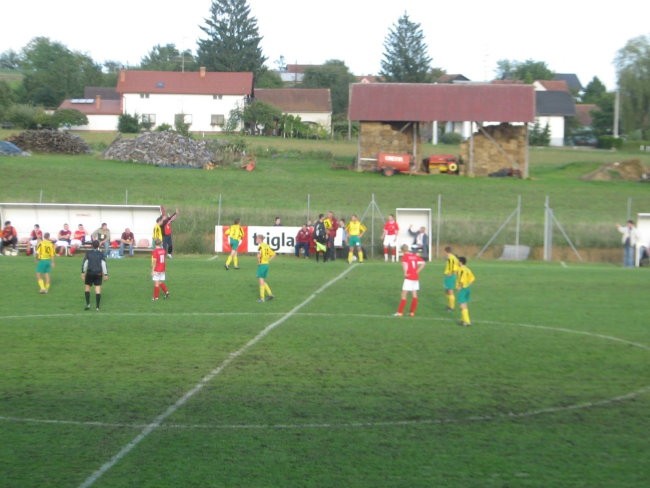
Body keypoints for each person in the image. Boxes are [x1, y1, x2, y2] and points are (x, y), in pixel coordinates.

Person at [394, 244, 426, 317]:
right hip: (415, 277)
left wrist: (405, 273)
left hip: (409, 277)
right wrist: (417, 271)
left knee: (403, 294)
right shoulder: (415, 256)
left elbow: (405, 265)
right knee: (414, 294)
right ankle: (412, 312)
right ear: (408, 249)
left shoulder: (405, 257)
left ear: (402, 250)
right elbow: (423, 263)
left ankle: (399, 312)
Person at [81, 240, 109, 310]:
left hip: (90, 273)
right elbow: (103, 264)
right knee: (98, 289)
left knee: (87, 288)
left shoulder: (88, 253)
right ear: (98, 246)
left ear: (92, 245)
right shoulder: (101, 254)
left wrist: (83, 272)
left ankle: (88, 305)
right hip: (98, 273)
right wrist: (105, 274)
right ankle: (97, 307)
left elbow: (85, 263)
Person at [255, 233, 276, 302]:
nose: (256, 240)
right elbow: (274, 254)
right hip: (266, 264)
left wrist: (258, 263)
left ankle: (262, 298)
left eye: (257, 238)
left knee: (261, 281)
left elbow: (258, 256)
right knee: (263, 280)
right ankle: (270, 294)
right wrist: (268, 260)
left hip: (262, 265)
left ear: (260, 239)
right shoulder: (266, 246)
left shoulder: (260, 247)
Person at [456, 256, 476, 327]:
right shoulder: (467, 269)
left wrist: (460, 287)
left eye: (458, 261)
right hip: (467, 289)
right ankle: (464, 320)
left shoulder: (461, 269)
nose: (457, 262)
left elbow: (461, 279)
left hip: (463, 289)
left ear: (461, 262)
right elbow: (473, 279)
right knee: (464, 304)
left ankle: (467, 322)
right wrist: (467, 285)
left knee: (462, 305)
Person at [443, 246, 460, 312]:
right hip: (448, 276)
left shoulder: (452, 258)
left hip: (451, 276)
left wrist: (451, 273)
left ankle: (451, 307)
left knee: (450, 291)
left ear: (445, 251)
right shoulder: (451, 257)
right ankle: (449, 305)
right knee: (446, 291)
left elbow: (455, 268)